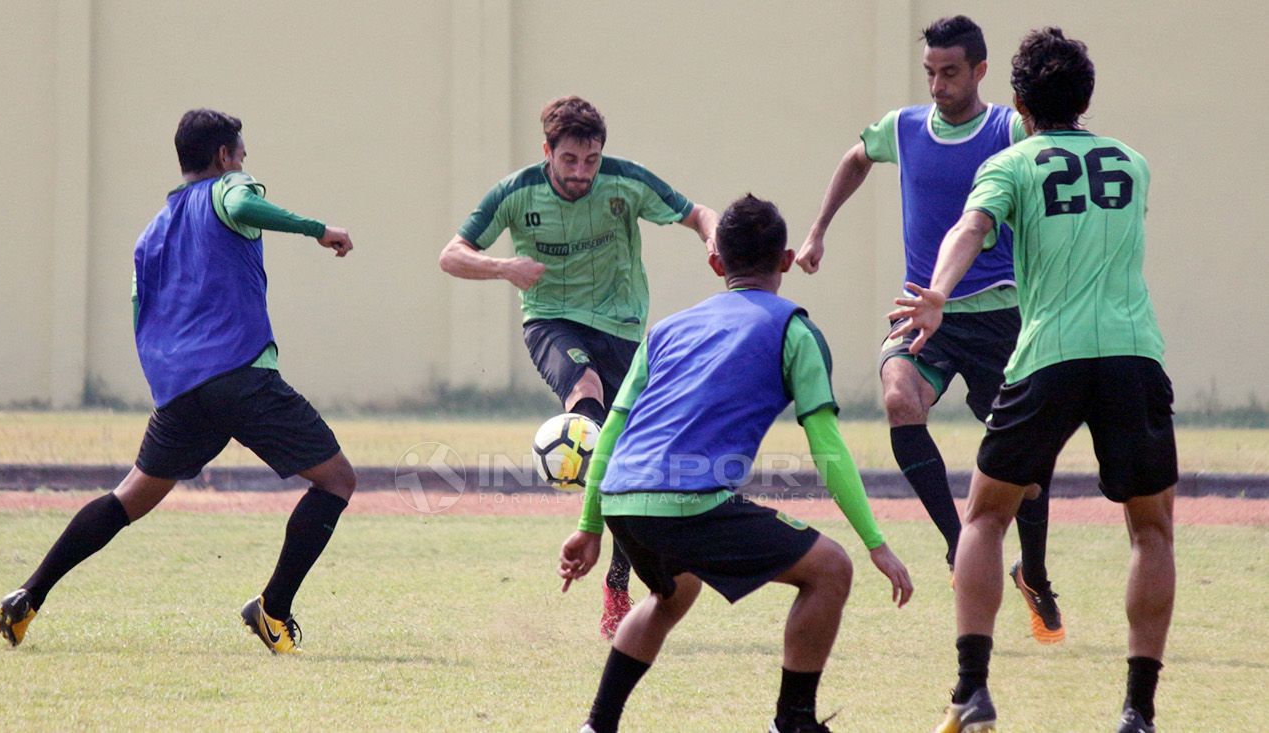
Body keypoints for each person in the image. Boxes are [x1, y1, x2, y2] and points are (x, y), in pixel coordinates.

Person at [887, 28, 1176, 733]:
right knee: (1151, 532)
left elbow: (969, 227)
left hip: (1047, 353)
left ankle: (972, 689)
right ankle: (1138, 709)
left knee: (985, 516)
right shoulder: (1133, 164)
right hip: (1134, 356)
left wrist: (936, 293)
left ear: (1017, 103)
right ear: (1086, 97)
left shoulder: (1013, 163)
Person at [0, 109, 358, 656]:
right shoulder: (228, 188)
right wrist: (317, 230)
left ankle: (29, 595)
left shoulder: (152, 232)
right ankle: (272, 610)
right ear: (222, 157)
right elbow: (240, 202)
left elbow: (142, 312)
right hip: (239, 375)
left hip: (181, 389)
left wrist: (169, 378)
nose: (244, 163)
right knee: (336, 481)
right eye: (241, 154)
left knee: (129, 499)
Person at [558, 194, 913, 733]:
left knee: (673, 593)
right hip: (688, 503)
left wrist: (589, 526)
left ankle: (596, 726)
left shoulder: (665, 330)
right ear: (787, 261)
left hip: (622, 499)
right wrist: (875, 544)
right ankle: (793, 722)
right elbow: (827, 448)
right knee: (830, 569)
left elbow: (611, 431)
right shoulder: (794, 330)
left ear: (716, 263)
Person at [797, 15, 1064, 644]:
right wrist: (817, 230)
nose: (938, 85)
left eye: (950, 73)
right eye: (931, 74)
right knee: (899, 398)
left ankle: (1037, 572)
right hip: (923, 310)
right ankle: (957, 546)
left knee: (1025, 460)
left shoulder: (1009, 128)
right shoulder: (905, 127)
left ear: (979, 71)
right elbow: (856, 157)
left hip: (1001, 311)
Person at [440, 95, 718, 639]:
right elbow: (451, 254)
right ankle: (580, 463)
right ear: (547, 151)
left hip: (622, 328)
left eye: (590, 161)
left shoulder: (625, 182)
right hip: (550, 321)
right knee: (585, 392)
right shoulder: (515, 193)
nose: (581, 173)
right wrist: (504, 267)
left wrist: (713, 240)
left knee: (629, 464)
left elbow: (698, 213)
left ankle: (617, 583)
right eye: (569, 160)